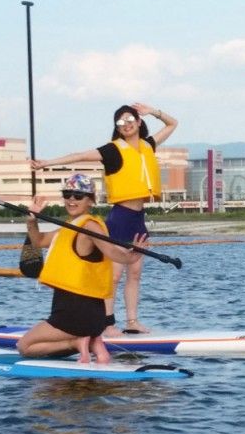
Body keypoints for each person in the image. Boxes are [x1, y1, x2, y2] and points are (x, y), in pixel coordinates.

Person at [31, 102, 177, 336]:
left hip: (138, 218)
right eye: (120, 123)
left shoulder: (148, 145)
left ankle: (132, 322)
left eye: (130, 120)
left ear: (139, 122)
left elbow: (173, 123)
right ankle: (108, 323)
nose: (125, 125)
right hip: (120, 217)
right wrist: (47, 163)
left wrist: (154, 111)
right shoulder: (112, 150)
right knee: (115, 274)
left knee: (136, 273)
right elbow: (79, 156)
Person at [17, 174, 146, 363]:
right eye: (67, 194)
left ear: (91, 200)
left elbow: (111, 251)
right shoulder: (69, 227)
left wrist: (130, 256)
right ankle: (93, 343)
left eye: (78, 195)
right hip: (81, 311)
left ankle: (77, 342)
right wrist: (32, 221)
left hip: (76, 311)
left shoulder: (91, 227)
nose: (71, 199)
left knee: (25, 346)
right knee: (30, 345)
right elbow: (39, 240)